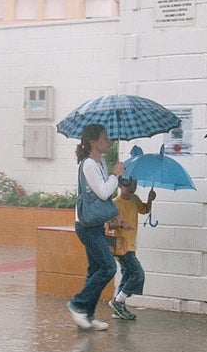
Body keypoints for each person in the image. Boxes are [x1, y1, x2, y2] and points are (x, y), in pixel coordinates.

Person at [66, 124, 124, 331]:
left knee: (96, 269)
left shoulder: (101, 164)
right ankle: (78, 303)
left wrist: (113, 175)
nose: (108, 141)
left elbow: (106, 195)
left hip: (95, 224)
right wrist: (115, 176)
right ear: (93, 142)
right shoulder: (89, 164)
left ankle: (87, 316)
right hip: (86, 226)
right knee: (108, 267)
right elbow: (103, 192)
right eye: (105, 138)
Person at [104, 176, 155, 320]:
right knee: (138, 274)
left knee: (127, 275)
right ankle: (118, 301)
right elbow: (107, 225)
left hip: (131, 245)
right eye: (128, 186)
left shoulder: (134, 199)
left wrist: (150, 199)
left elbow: (144, 210)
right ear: (120, 185)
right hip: (121, 246)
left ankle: (119, 308)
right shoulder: (115, 204)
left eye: (134, 186)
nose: (132, 189)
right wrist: (121, 224)